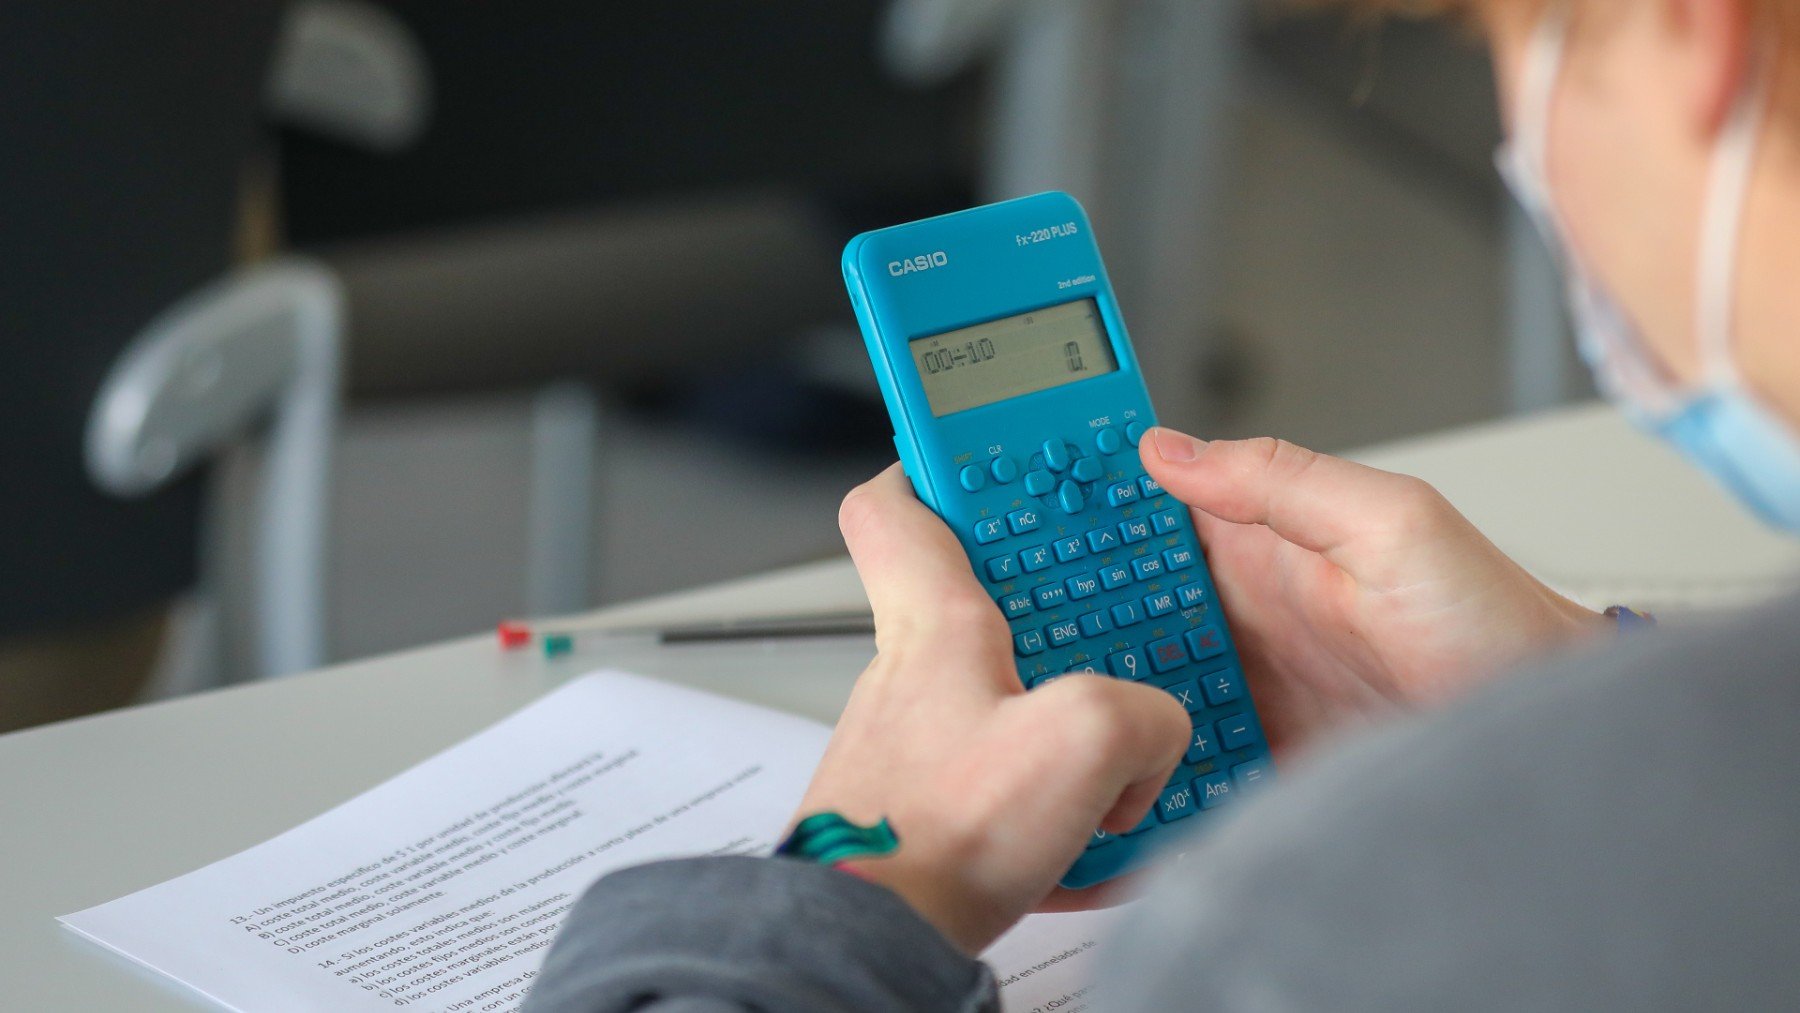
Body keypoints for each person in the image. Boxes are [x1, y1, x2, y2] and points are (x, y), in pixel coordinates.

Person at [526, 0, 1800, 1007]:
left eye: (1518, 58)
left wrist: (869, 884)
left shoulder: (1281, 944)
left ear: (1693, 28)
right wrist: (1570, 690)